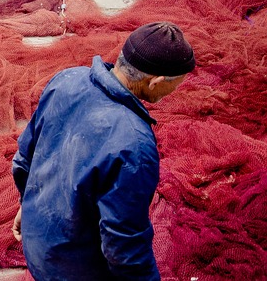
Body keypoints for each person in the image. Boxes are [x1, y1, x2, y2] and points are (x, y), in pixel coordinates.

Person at [11, 22, 196, 281]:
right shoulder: (135, 144)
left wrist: (26, 206)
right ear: (156, 81)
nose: (175, 91)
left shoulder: (66, 79)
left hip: (36, 242)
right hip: (73, 269)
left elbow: (24, 159)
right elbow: (123, 246)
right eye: (176, 84)